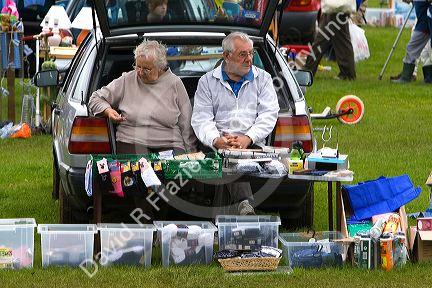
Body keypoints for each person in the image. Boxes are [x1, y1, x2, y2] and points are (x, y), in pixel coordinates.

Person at [88, 39, 197, 220]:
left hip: (169, 142)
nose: (140, 72)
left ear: (161, 67)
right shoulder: (127, 79)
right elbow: (95, 99)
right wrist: (109, 111)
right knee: (139, 172)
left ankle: (160, 221)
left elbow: (186, 123)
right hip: (132, 139)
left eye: (146, 69)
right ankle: (147, 222)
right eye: (137, 66)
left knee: (172, 174)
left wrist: (191, 155)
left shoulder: (175, 84)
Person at [191, 31, 280, 215]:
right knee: (227, 157)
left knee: (231, 160)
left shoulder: (263, 79)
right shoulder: (207, 82)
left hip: (252, 144)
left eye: (251, 53)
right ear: (226, 56)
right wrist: (217, 140)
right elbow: (201, 119)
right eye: (243, 54)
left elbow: (268, 114)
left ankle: (226, 219)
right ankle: (244, 206)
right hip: (216, 145)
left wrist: (247, 138)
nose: (249, 59)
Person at [303, 11, 356, 80]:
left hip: (338, 10)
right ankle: (308, 70)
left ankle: (348, 74)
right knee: (322, 41)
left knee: (340, 42)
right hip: (333, 10)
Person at [391, 0, 432, 84]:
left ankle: (429, 77)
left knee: (429, 50)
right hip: (422, 21)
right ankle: (406, 77)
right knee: (412, 47)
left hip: (428, 16)